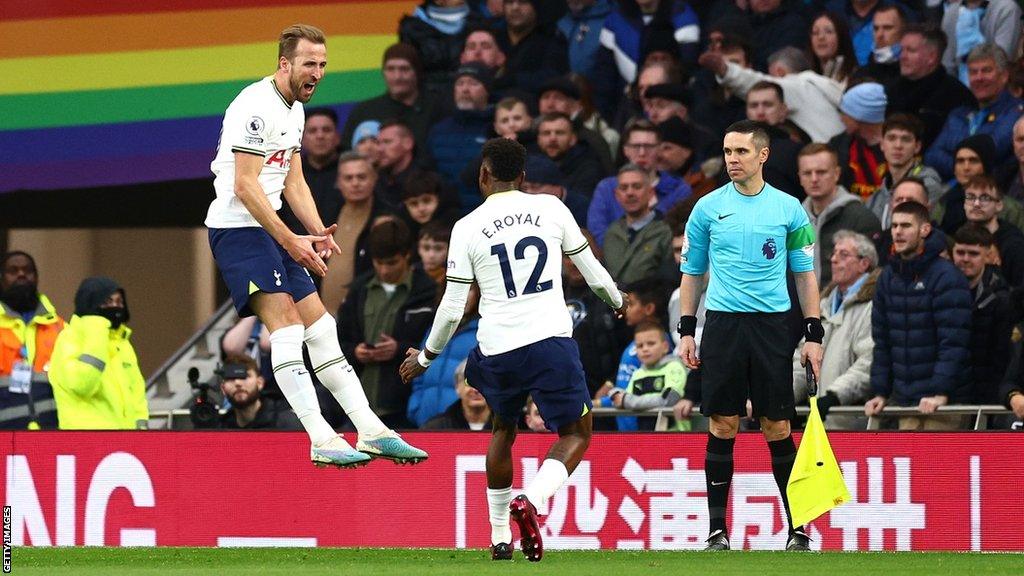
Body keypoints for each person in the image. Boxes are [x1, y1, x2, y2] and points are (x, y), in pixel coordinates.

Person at [204, 25, 427, 468]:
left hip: (270, 230)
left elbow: (293, 180)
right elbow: (245, 187)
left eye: (323, 65)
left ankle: (372, 430)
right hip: (238, 231)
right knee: (285, 328)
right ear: (284, 63)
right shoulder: (255, 106)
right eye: (310, 64)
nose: (318, 73)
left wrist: (317, 232)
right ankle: (320, 436)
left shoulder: (296, 111)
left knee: (322, 329)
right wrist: (292, 241)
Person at [398, 137, 626, 562]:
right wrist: (615, 299)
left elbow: (451, 309)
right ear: (523, 177)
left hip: (498, 348)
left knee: (503, 429)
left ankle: (500, 536)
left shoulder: (466, 227)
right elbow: (588, 266)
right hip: (550, 343)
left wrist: (426, 357)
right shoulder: (552, 209)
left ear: (483, 175)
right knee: (576, 433)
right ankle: (532, 501)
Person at [677, 120, 822, 552]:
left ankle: (798, 530)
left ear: (763, 155)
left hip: (773, 327)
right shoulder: (705, 208)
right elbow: (692, 271)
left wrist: (813, 332)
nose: (731, 160)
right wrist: (687, 329)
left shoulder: (790, 209)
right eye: (726, 152)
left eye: (740, 151)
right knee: (722, 423)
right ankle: (717, 531)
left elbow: (805, 274)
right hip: (722, 324)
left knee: (776, 425)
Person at [865, 201, 972, 430]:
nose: (898, 232)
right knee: (910, 465)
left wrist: (940, 392)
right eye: (894, 226)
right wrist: (881, 392)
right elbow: (882, 342)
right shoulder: (887, 278)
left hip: (944, 404)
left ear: (925, 230)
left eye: (906, 225)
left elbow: (954, 342)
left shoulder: (947, 277)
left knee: (940, 465)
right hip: (905, 401)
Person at [338, 219, 437, 429]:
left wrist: (399, 349)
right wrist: (355, 352)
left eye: (391, 262)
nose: (383, 270)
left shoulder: (428, 292)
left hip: (403, 407)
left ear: (407, 255)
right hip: (357, 406)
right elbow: (338, 341)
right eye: (378, 262)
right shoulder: (358, 290)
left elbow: (438, 345)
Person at [792, 230, 878, 430]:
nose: (834, 259)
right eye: (834, 253)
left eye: (844, 255)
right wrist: (781, 396)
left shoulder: (872, 305)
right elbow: (801, 360)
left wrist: (833, 396)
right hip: (818, 420)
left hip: (852, 422)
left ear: (864, 263)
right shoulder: (822, 304)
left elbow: (869, 362)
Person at [49, 277, 148, 429]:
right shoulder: (69, 339)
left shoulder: (122, 343)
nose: (115, 307)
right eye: (108, 302)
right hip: (85, 441)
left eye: (119, 302)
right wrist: (96, 328)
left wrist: (141, 428)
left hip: (126, 442)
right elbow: (83, 385)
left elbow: (137, 392)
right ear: (91, 304)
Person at [925, 43, 1024, 181]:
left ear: (1004, 76)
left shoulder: (1016, 113)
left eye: (986, 70)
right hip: (950, 193)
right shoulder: (958, 114)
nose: (979, 78)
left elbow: (990, 151)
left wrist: (957, 159)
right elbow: (932, 156)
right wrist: (967, 165)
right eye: (973, 72)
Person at [797, 143, 882, 287]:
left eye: (821, 172)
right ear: (799, 177)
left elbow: (872, 276)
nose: (814, 179)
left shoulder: (861, 218)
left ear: (837, 174)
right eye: (807, 173)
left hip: (845, 306)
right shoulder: (793, 220)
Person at [885, 24, 976, 149]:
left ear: (931, 57)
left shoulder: (957, 96)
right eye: (902, 50)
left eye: (911, 51)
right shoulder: (891, 90)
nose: (902, 56)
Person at [341, 43, 442, 155]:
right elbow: (347, 153)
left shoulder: (437, 108)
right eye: (390, 69)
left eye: (404, 69)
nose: (397, 76)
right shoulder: (364, 111)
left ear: (417, 73)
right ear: (383, 73)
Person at [951, 224, 1013, 406]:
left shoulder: (1001, 299)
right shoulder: (942, 292)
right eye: (960, 252)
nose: (965, 259)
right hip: (953, 391)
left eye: (973, 253)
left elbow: (1002, 359)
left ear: (987, 256)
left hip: (987, 396)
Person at [0, 251, 64, 429]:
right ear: (2, 278)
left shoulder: (60, 328)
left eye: (27, 270)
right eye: (13, 271)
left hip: (53, 435)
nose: (21, 274)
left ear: (36, 277)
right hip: (5, 439)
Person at [608, 320, 689, 431]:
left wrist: (626, 401)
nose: (645, 349)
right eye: (640, 346)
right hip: (646, 439)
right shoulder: (638, 373)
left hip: (677, 438)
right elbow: (625, 397)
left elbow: (668, 400)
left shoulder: (675, 367)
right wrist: (615, 394)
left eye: (651, 343)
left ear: (665, 347)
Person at [865, 113, 943, 229]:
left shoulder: (928, 185)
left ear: (917, 147)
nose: (898, 145)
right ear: (882, 144)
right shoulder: (877, 196)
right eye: (891, 138)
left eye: (906, 139)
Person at [602, 164, 675, 286]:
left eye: (637, 186)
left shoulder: (666, 231)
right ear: (617, 195)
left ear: (650, 192)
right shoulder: (611, 232)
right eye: (624, 188)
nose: (630, 192)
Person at [278, 108, 341, 235]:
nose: (320, 136)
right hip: (296, 250)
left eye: (326, 130)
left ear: (337, 137)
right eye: (312, 131)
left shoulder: (350, 172)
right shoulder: (287, 173)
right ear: (301, 138)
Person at [962, 174, 1024, 286]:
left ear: (999, 205)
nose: (976, 204)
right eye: (970, 197)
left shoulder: (1013, 244)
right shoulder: (961, 237)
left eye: (985, 198)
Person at [219, 354, 302, 430]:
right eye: (230, 378)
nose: (238, 383)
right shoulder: (219, 427)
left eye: (244, 376)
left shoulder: (287, 422)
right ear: (223, 388)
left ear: (260, 383)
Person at [423, 359, 492, 430]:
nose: (475, 389)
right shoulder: (435, 428)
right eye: (468, 382)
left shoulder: (504, 428)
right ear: (457, 386)